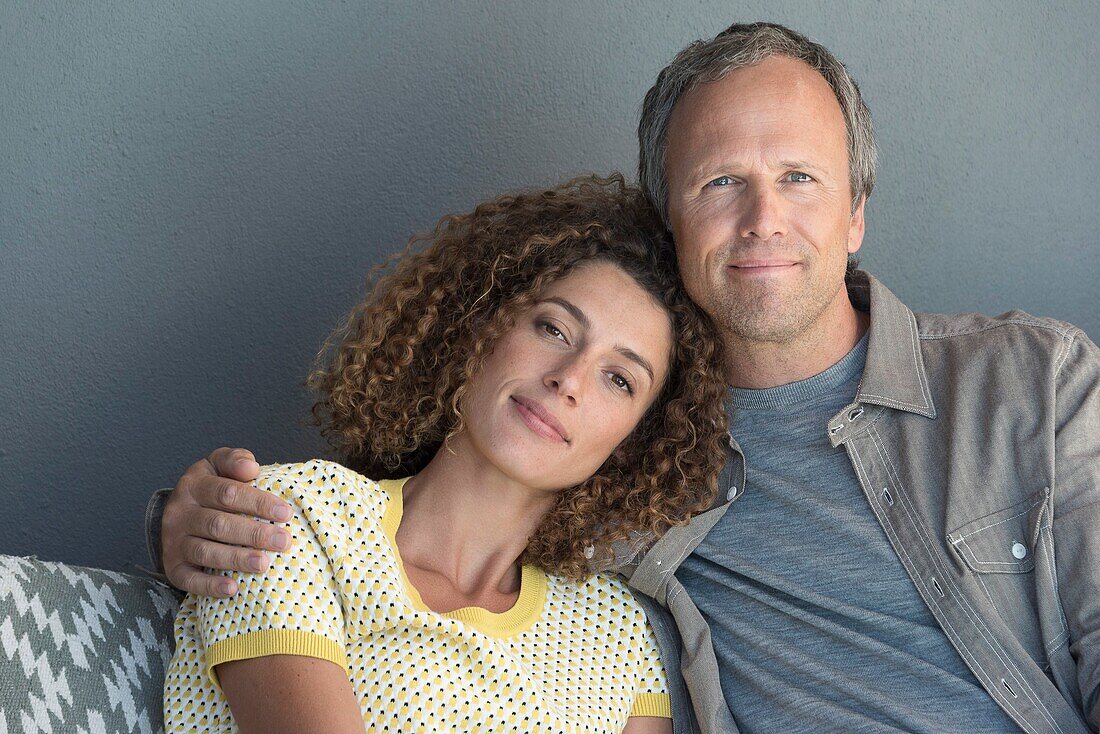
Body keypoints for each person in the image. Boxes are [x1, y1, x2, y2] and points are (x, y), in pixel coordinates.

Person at [150, 22, 1100, 734]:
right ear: (668, 220)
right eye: (721, 182)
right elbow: (384, 520)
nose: (764, 217)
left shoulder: (1032, 385)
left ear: (856, 211)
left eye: (801, 178)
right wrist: (186, 519)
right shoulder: (641, 475)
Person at [159, 175, 731, 733]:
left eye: (619, 379)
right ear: (482, 322)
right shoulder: (297, 516)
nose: (570, 380)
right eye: (553, 329)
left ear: (633, 442)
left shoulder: (619, 640)